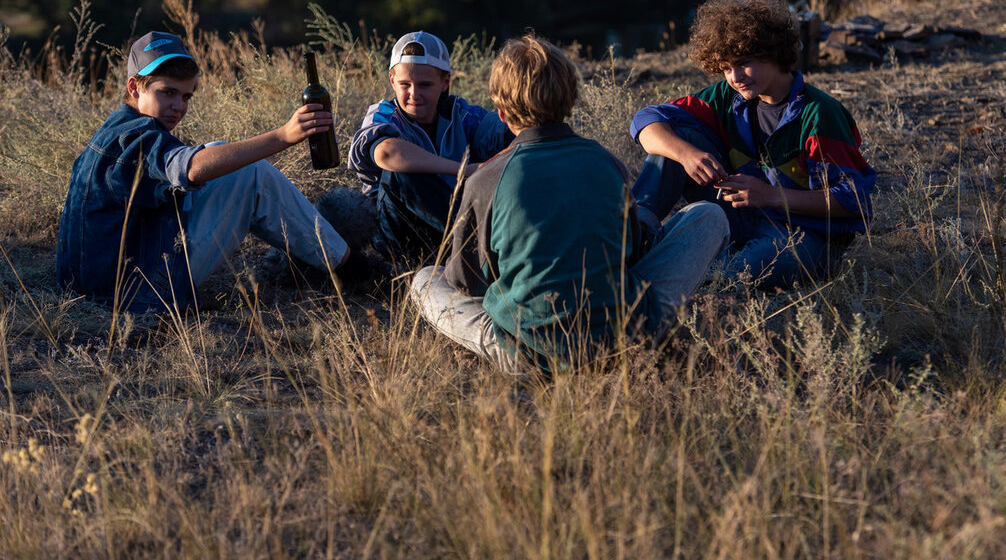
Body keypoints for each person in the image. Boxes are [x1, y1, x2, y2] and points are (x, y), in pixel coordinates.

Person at [409, 35, 729, 375]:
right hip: (626, 339)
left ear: (500, 113)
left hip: (529, 355)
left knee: (426, 279)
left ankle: (532, 360)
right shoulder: (607, 162)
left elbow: (465, 282)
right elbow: (631, 253)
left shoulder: (485, 179)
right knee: (708, 214)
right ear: (571, 99)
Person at [57, 31, 354, 314]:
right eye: (168, 92)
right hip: (132, 294)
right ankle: (352, 269)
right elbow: (192, 168)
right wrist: (283, 136)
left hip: (96, 285)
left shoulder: (116, 129)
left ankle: (306, 257)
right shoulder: (136, 139)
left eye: (186, 96)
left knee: (219, 154)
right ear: (134, 87)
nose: (178, 106)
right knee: (250, 174)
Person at [629, 0, 876, 290]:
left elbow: (853, 200)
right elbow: (645, 121)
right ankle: (632, 241)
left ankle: (688, 268)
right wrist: (686, 154)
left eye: (743, 62)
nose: (735, 77)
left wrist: (770, 195)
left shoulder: (820, 114)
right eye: (725, 68)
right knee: (675, 137)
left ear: (773, 52)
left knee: (763, 265)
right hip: (739, 216)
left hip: (803, 234)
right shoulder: (725, 97)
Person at [348, 31, 513, 260]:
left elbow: (510, 131)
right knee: (398, 172)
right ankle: (475, 248)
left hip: (451, 223)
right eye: (405, 84)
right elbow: (386, 153)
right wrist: (465, 170)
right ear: (392, 80)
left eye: (425, 85)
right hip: (400, 238)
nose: (414, 94)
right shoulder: (384, 114)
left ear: (445, 83)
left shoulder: (462, 115)